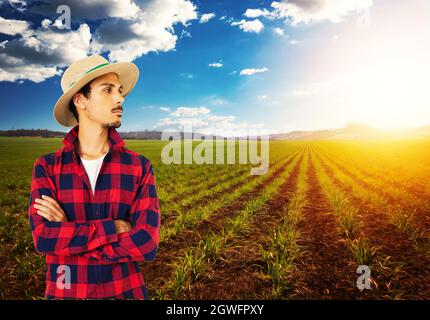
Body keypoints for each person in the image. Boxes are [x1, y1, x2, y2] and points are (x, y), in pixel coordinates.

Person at [27, 55, 160, 299]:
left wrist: (69, 232)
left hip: (126, 292)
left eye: (120, 91)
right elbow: (44, 238)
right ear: (80, 101)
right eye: (107, 90)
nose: (120, 98)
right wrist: (115, 228)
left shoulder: (139, 166)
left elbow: (147, 243)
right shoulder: (47, 167)